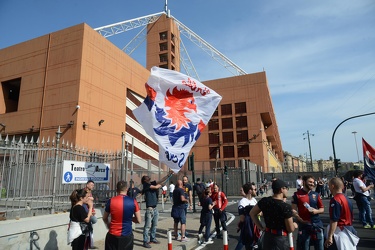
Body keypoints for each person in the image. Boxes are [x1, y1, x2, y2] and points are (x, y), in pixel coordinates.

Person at [250, 179, 298, 250]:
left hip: (267, 237)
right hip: (280, 239)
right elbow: (290, 228)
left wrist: (260, 227)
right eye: (286, 189)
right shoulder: (285, 207)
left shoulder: (265, 201)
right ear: (282, 189)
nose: (287, 191)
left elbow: (252, 213)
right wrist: (294, 225)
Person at [102, 181, 142, 250]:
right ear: (127, 189)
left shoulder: (111, 201)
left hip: (112, 234)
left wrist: (108, 224)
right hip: (127, 235)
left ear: (117, 189)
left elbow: (104, 217)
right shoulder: (133, 201)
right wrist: (130, 218)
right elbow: (139, 220)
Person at [141, 171, 173, 248]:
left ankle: (153, 238)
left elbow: (161, 180)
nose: (148, 177)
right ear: (145, 180)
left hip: (155, 208)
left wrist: (168, 175)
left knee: (154, 225)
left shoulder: (151, 183)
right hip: (150, 209)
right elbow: (156, 187)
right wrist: (161, 185)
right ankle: (145, 241)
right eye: (146, 177)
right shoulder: (146, 185)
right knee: (147, 226)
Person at [292, 175, 324, 250]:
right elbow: (293, 210)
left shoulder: (316, 194)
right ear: (304, 182)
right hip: (304, 227)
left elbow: (322, 209)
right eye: (310, 182)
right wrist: (300, 220)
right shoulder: (297, 195)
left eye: (313, 182)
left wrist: (316, 211)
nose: (312, 184)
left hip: (317, 225)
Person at [324, 177, 358, 249]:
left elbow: (334, 220)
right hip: (349, 229)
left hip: (339, 231)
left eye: (329, 186)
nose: (329, 188)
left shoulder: (335, 200)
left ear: (332, 186)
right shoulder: (347, 199)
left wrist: (330, 236)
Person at [236, 183, 258, 250]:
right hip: (248, 228)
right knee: (246, 244)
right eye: (254, 189)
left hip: (255, 227)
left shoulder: (254, 200)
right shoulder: (243, 202)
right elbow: (242, 218)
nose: (256, 191)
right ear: (250, 191)